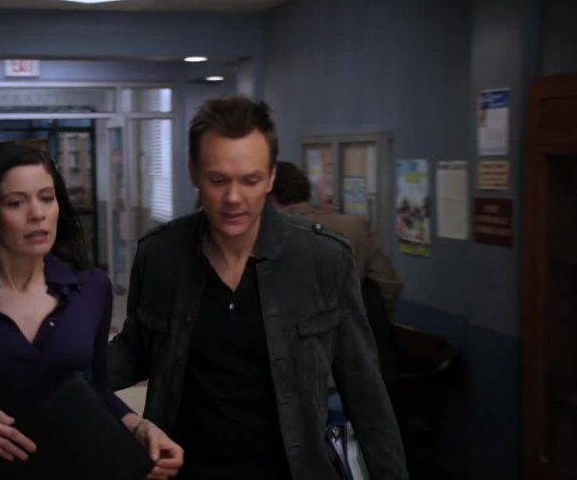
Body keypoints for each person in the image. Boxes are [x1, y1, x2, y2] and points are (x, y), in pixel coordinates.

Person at [108, 96, 408, 479]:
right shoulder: (161, 255)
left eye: (250, 180)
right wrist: (53, 374)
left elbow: (365, 390)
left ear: (270, 178)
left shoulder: (321, 259)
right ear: (193, 173)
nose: (234, 198)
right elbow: (132, 353)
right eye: (218, 180)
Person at [0, 142, 183, 478]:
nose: (37, 214)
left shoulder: (92, 288)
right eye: (16, 202)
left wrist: (137, 426)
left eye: (47, 198)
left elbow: (96, 389)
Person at [271, 160, 402, 399]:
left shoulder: (268, 234)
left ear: (270, 195)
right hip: (352, 364)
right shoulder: (354, 227)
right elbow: (389, 284)